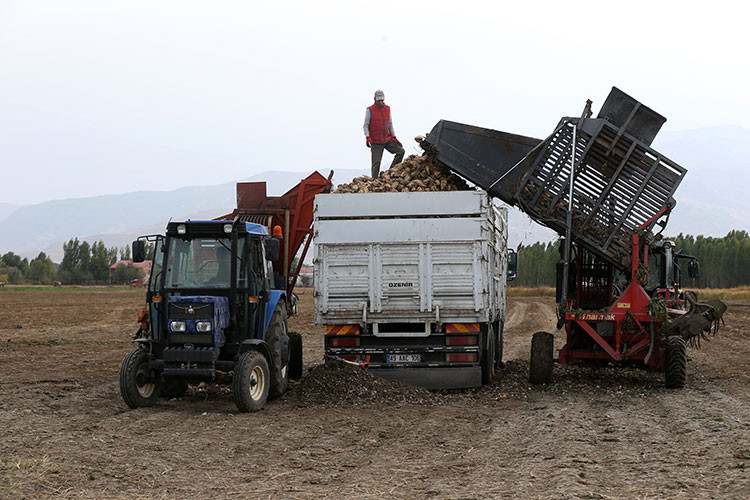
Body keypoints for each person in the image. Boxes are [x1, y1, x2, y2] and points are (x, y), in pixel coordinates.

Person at [363, 89, 405, 178]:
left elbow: (390, 124)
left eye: (382, 100)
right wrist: (367, 137)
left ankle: (391, 172)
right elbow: (365, 125)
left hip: (387, 139)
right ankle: (374, 181)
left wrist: (394, 137)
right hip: (376, 141)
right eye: (379, 100)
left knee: (401, 151)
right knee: (376, 164)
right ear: (375, 100)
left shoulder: (387, 109)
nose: (381, 102)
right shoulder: (369, 110)